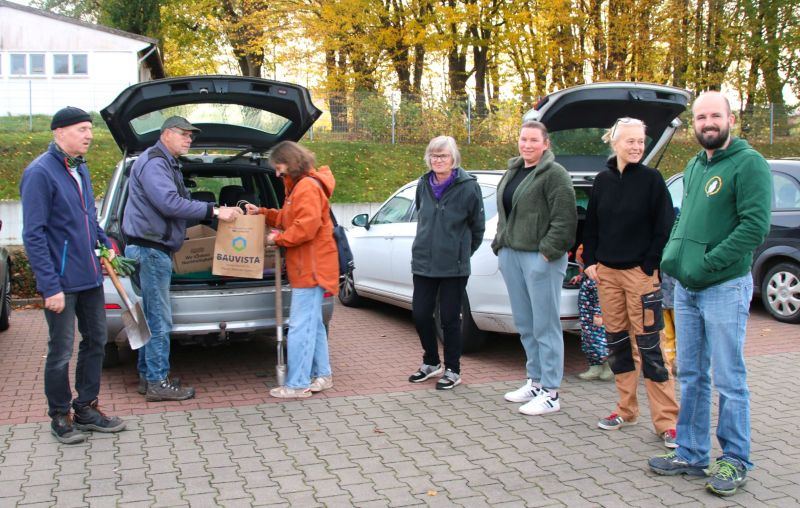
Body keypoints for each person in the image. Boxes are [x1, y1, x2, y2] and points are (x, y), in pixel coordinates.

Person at [648, 91, 772, 497]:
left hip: (723, 286)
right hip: (687, 288)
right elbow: (688, 221)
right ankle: (692, 452)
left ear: (731, 119)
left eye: (714, 115)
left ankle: (735, 459)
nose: (707, 123)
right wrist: (675, 258)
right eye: (700, 117)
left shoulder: (749, 163)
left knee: (729, 378)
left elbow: (754, 228)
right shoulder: (696, 164)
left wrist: (709, 263)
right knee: (692, 373)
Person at [21, 106, 127, 444]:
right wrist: (48, 285)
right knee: (61, 350)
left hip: (90, 276)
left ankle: (86, 408)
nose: (89, 135)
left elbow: (88, 217)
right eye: (82, 129)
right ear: (59, 132)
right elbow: (33, 234)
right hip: (61, 283)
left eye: (89, 129)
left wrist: (104, 243)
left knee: (97, 341)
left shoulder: (79, 169)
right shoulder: (40, 172)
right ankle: (60, 415)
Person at [123, 116, 242, 401]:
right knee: (159, 318)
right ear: (166, 134)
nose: (190, 140)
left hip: (153, 248)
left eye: (191, 136)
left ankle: (148, 375)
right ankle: (157, 383)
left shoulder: (164, 162)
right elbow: (169, 203)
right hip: (150, 250)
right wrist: (214, 212)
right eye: (185, 135)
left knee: (151, 317)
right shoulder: (154, 163)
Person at [582, 117, 679, 449]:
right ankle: (626, 410)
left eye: (641, 141)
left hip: (641, 276)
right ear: (614, 142)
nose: (637, 146)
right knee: (618, 345)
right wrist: (591, 261)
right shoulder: (603, 181)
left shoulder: (652, 180)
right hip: (607, 275)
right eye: (631, 141)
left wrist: (649, 264)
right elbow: (591, 223)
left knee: (651, 348)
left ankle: (667, 422)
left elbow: (664, 226)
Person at [493, 121, 577, 416]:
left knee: (545, 325)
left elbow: (565, 219)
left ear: (545, 144)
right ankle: (535, 380)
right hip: (512, 255)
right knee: (526, 323)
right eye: (523, 139)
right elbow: (505, 212)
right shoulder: (515, 170)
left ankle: (551, 392)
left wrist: (547, 253)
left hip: (540, 258)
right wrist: (499, 245)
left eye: (533, 140)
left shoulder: (555, 174)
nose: (526, 145)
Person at [245, 141, 338, 398]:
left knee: (299, 326)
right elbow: (290, 217)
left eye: (279, 167)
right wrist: (262, 213)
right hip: (311, 265)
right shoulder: (299, 186)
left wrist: (278, 239)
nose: (276, 173)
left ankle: (297, 384)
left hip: (312, 267)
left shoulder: (307, 187)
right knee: (314, 324)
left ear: (291, 161)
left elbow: (305, 227)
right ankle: (323, 375)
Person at [407, 136, 485, 390]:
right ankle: (431, 362)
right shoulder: (422, 184)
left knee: (450, 318)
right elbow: (422, 218)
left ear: (454, 159)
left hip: (454, 266)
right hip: (424, 263)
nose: (438, 160)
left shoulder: (469, 187)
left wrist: (461, 252)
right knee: (420, 314)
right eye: (434, 155)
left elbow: (477, 228)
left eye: (443, 156)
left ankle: (453, 369)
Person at [571, 245, 613, 381]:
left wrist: (600, 314)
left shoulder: (600, 276)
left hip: (597, 316)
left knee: (601, 340)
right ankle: (594, 366)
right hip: (586, 316)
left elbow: (603, 297)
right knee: (588, 340)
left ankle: (609, 367)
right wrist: (580, 276)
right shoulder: (588, 274)